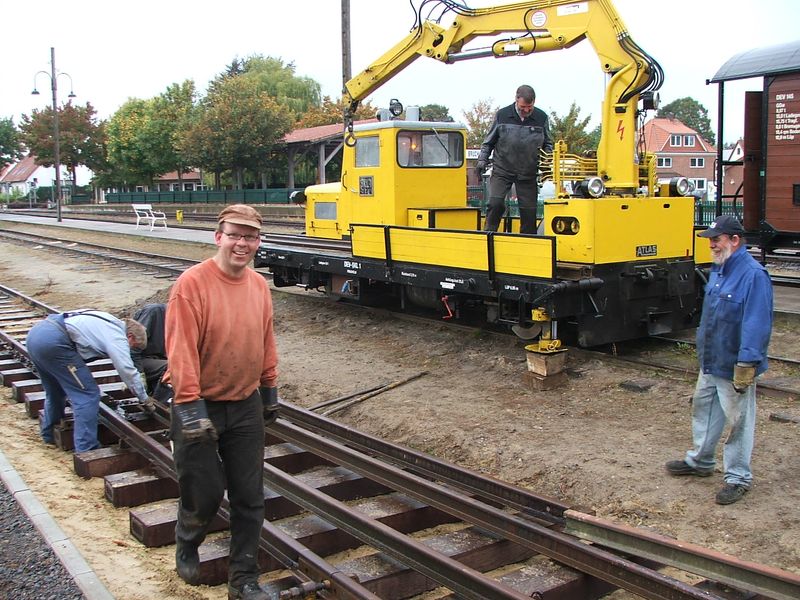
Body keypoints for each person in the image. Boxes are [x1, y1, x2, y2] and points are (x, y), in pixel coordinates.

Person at [165, 204, 279, 600]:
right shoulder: (191, 284)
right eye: (235, 235)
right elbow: (180, 350)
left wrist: (269, 388)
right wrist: (190, 404)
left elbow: (265, 338)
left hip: (244, 403)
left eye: (250, 237)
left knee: (250, 497)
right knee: (206, 490)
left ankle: (244, 580)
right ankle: (187, 539)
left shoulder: (259, 286)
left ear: (257, 243)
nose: (242, 243)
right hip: (197, 403)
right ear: (218, 237)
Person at [665, 215, 773, 505]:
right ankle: (700, 461)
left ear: (734, 240)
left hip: (735, 364)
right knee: (705, 409)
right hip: (712, 359)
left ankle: (738, 477)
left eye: (717, 238)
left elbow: (757, 322)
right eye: (711, 239)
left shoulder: (753, 275)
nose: (712, 244)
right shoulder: (720, 268)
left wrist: (747, 363)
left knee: (739, 420)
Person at [26, 310, 151, 453]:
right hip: (55, 343)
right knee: (87, 395)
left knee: (55, 391)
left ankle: (48, 435)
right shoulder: (117, 336)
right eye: (133, 346)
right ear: (130, 336)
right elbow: (126, 369)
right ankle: (86, 449)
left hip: (37, 335)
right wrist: (144, 398)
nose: (130, 350)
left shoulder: (108, 320)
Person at [476, 84, 553, 234]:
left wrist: (546, 162)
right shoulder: (502, 115)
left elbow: (548, 143)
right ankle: (488, 237)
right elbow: (488, 142)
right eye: (523, 107)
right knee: (495, 203)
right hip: (502, 169)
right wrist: (481, 161)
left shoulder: (541, 118)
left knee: (529, 212)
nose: (526, 111)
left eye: (530, 107)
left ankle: (527, 244)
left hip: (528, 171)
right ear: (516, 100)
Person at [130, 302, 167, 394]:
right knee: (174, 367)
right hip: (140, 360)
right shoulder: (154, 312)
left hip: (159, 359)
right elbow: (133, 349)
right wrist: (139, 376)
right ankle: (159, 401)